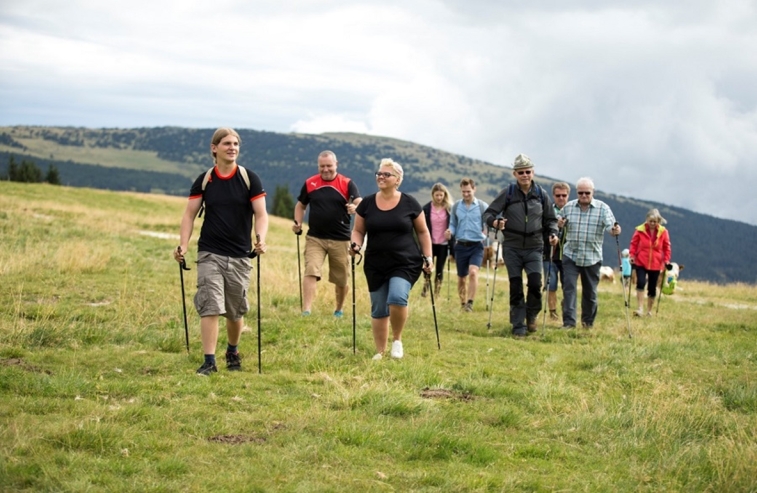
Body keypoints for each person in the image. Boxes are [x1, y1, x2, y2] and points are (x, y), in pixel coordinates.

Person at [174, 128, 269, 375]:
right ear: (214, 148)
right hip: (209, 252)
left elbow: (261, 214)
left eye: (236, 143)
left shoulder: (249, 178)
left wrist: (260, 239)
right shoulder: (205, 179)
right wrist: (183, 245)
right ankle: (209, 361)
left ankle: (232, 350)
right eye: (227, 143)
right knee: (211, 305)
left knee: (235, 311)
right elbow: (189, 214)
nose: (232, 147)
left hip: (239, 254)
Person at [350, 158, 433, 360]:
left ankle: (397, 339)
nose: (381, 177)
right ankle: (379, 351)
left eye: (386, 174)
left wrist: (428, 257)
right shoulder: (367, 203)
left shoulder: (410, 203)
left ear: (397, 180)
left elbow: (423, 232)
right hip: (376, 262)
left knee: (396, 297)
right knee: (378, 307)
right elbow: (358, 230)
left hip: (405, 261)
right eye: (379, 173)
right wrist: (356, 245)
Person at [484, 154, 558, 337]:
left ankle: (531, 315)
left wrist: (554, 233)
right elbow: (488, 214)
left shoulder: (541, 194)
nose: (525, 175)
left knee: (535, 283)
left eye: (528, 172)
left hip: (535, 246)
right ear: (515, 174)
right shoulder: (508, 192)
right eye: (521, 172)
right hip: (512, 247)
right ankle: (518, 324)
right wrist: (495, 223)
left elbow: (551, 219)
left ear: (533, 172)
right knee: (515, 285)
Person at [292, 150, 362, 317]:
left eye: (329, 166)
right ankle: (306, 310)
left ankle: (338, 310)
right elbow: (300, 205)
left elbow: (360, 202)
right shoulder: (310, 183)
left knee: (341, 278)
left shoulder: (347, 183)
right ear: (318, 166)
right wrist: (298, 222)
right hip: (315, 237)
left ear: (336, 165)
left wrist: (355, 207)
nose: (325, 169)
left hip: (341, 239)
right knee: (311, 269)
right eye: (322, 166)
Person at [559, 177, 621, 329]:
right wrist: (559, 224)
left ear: (593, 192)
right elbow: (557, 222)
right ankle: (569, 323)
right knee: (569, 290)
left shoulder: (603, 208)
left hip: (592, 257)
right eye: (581, 193)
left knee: (590, 293)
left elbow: (611, 227)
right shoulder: (568, 207)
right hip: (570, 254)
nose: (584, 196)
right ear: (576, 192)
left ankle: (587, 323)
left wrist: (615, 230)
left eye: (587, 193)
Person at [445, 178, 489, 312]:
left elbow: (490, 220)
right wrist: (449, 231)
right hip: (460, 245)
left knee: (473, 272)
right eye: (463, 191)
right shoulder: (456, 206)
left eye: (468, 191)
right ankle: (463, 303)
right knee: (461, 278)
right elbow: (453, 223)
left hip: (476, 245)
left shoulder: (482, 206)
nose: (466, 194)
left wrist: (487, 232)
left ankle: (470, 303)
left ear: (474, 189)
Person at [629, 208, 671, 316]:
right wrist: (632, 255)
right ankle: (640, 308)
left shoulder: (663, 232)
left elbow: (667, 247)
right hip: (641, 261)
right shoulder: (640, 230)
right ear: (646, 220)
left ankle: (649, 311)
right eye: (650, 221)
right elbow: (633, 244)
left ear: (658, 221)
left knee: (652, 288)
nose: (652, 223)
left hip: (656, 264)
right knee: (641, 283)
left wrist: (666, 260)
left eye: (655, 221)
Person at [544, 182, 570, 322]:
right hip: (550, 254)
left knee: (568, 285)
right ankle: (553, 313)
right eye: (558, 195)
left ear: (568, 196)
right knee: (551, 284)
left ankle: (566, 307)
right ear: (553, 196)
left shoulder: (573, 210)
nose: (561, 198)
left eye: (564, 195)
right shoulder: (548, 210)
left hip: (568, 255)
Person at [421, 183, 453, 298]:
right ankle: (425, 289)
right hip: (430, 243)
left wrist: (450, 233)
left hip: (443, 244)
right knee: (427, 267)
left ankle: (437, 292)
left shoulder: (449, 209)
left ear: (444, 195)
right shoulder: (426, 209)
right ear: (433, 195)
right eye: (437, 195)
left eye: (441, 195)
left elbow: (453, 224)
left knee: (440, 268)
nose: (439, 198)